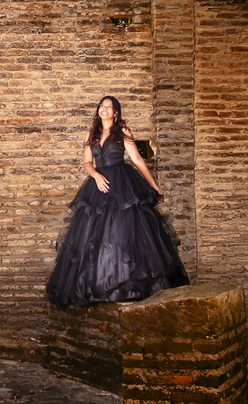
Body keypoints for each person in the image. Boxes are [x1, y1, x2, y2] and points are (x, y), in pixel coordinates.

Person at [47, 95, 189, 306]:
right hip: (99, 185)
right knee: (96, 237)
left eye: (109, 106)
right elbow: (87, 162)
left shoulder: (122, 132)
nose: (104, 109)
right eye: (102, 106)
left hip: (122, 183)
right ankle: (100, 289)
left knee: (125, 232)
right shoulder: (91, 134)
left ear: (116, 113)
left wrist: (152, 184)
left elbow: (137, 159)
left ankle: (131, 286)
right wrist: (95, 176)